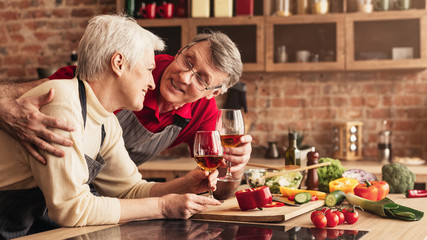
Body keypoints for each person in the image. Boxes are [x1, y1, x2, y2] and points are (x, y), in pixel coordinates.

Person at [0, 14, 220, 239]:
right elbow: (72, 209)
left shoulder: (107, 122)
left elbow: (129, 190)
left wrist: (184, 185)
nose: (152, 82)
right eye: (147, 69)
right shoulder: (61, 102)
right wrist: (163, 207)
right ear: (118, 63)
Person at [0, 31, 252, 199]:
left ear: (213, 93)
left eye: (201, 78)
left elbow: (219, 192)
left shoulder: (203, 112)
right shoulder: (129, 69)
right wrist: (3, 110)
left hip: (112, 195)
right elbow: (39, 90)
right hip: (38, 190)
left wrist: (235, 168)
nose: (184, 76)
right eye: (187, 61)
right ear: (180, 51)